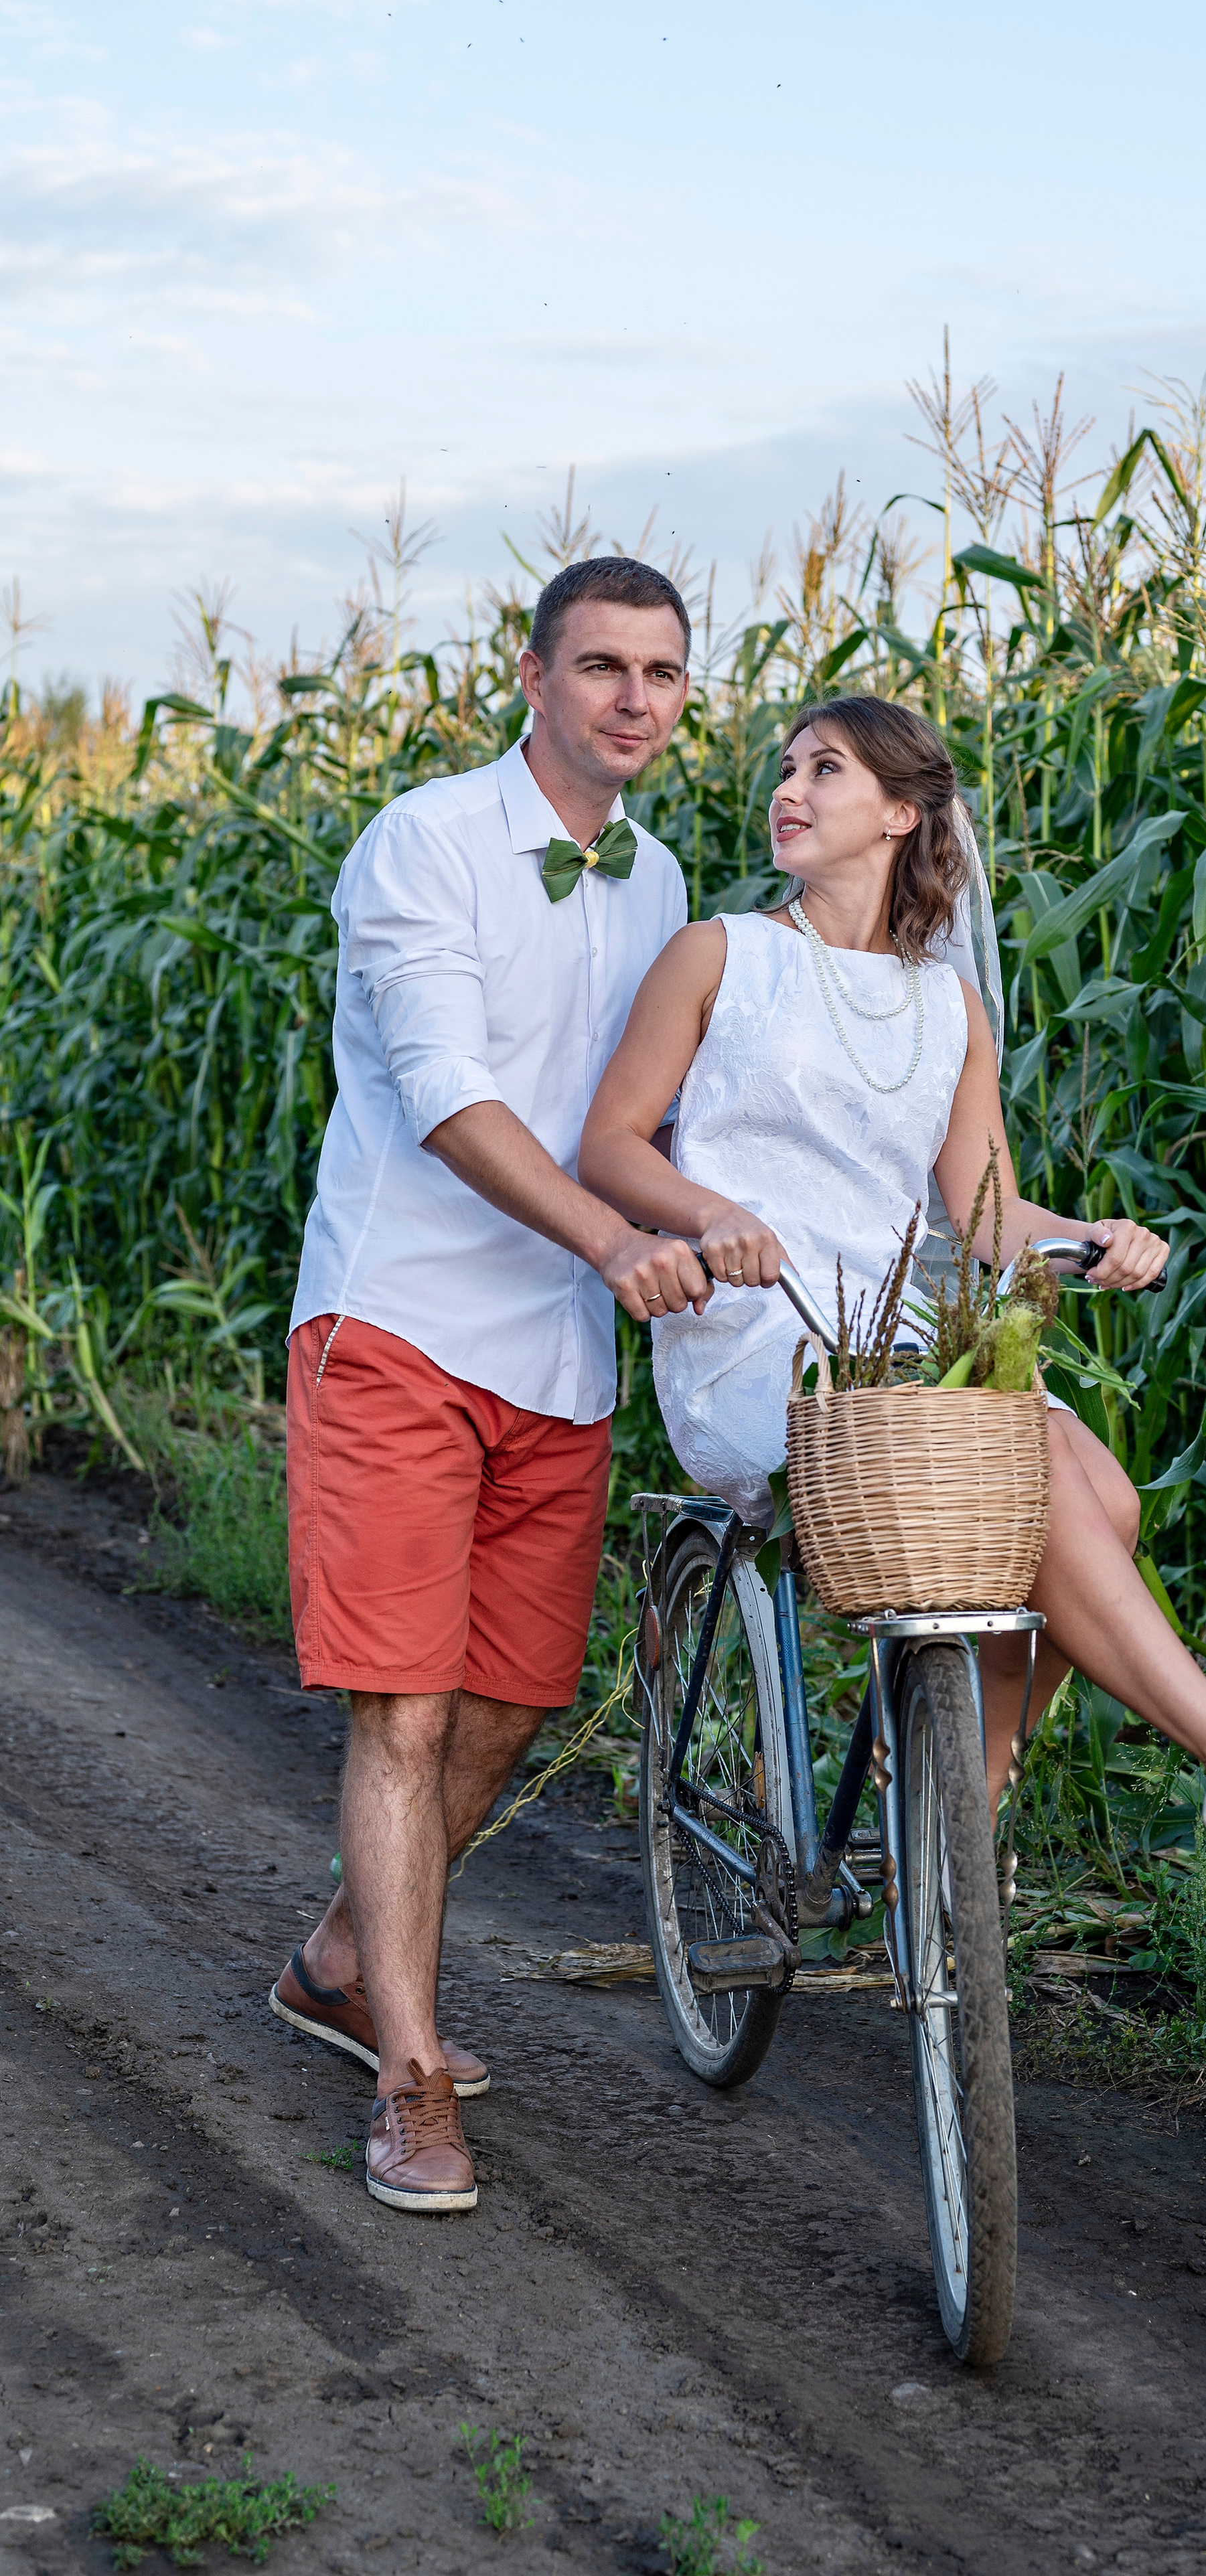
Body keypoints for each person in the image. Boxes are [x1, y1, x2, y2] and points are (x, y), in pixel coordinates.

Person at [579, 696, 1206, 1875]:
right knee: (1049, 1493)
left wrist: (1095, 1235)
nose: (791, 790)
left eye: (828, 770)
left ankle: (950, 1804)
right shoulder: (720, 954)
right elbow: (611, 1144)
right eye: (788, 769)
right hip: (764, 1333)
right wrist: (714, 1213)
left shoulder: (948, 1004)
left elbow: (984, 1213)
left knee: (1107, 1504)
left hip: (903, 1333)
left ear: (902, 815)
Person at [270, 558, 711, 2217]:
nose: (631, 697)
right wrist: (611, 1236)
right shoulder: (426, 844)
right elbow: (447, 1094)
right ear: (530, 676)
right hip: (397, 1320)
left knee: (510, 1709)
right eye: (599, 664)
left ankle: (337, 1958)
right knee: (404, 1705)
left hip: (559, 1353)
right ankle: (410, 2076)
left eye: (660, 673)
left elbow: (665, 1115)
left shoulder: (664, 885)